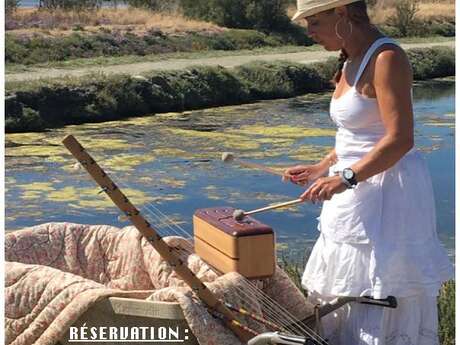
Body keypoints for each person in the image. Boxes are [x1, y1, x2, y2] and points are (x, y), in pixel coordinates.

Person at [284, 0, 454, 344]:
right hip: (354, 191)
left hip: (387, 195)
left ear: (342, 14)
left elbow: (400, 139)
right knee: (343, 291)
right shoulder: (350, 58)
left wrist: (346, 178)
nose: (310, 32)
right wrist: (322, 167)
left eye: (314, 22)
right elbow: (355, 135)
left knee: (380, 288)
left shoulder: (386, 57)